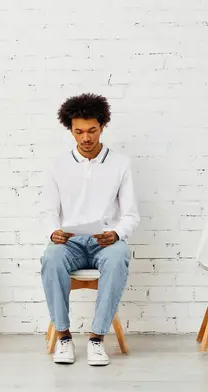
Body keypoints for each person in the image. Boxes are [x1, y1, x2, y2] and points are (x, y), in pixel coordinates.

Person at [40, 93, 140, 366]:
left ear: (103, 127)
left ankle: (96, 340)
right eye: (79, 132)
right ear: (70, 131)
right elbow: (48, 211)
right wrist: (53, 232)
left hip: (104, 241)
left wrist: (116, 234)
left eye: (92, 130)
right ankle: (64, 337)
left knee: (119, 256)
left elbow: (131, 214)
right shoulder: (58, 165)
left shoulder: (120, 164)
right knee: (51, 258)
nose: (86, 138)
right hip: (69, 242)